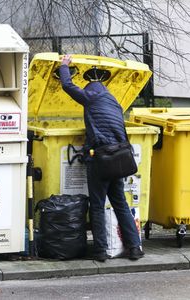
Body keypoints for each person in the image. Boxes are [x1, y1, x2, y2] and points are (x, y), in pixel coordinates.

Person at [59, 54, 144, 262]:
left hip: (100, 159)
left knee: (97, 206)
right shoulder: (115, 103)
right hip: (119, 159)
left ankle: (100, 251)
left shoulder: (91, 97)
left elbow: (68, 86)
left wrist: (64, 66)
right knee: (120, 203)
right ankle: (134, 248)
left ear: (89, 90)